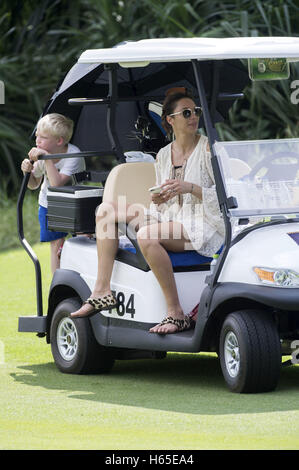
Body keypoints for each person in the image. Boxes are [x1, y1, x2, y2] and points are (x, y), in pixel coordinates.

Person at [70, 89, 224, 333]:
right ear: (170, 120)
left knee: (146, 235)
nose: (193, 116)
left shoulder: (209, 150)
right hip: (170, 217)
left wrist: (190, 188)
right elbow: (162, 202)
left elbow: (226, 198)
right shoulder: (164, 154)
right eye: (186, 112)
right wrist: (159, 197)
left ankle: (175, 313)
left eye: (196, 111)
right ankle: (101, 291)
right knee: (105, 211)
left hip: (202, 223)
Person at [21, 113, 85, 273]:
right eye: (37, 136)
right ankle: (57, 283)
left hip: (75, 204)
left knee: (83, 239)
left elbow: (57, 183)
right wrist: (26, 173)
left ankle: (81, 275)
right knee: (56, 245)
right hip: (49, 204)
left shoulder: (73, 155)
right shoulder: (43, 155)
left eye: (43, 138)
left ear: (59, 141)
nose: (37, 141)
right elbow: (34, 185)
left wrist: (48, 159)